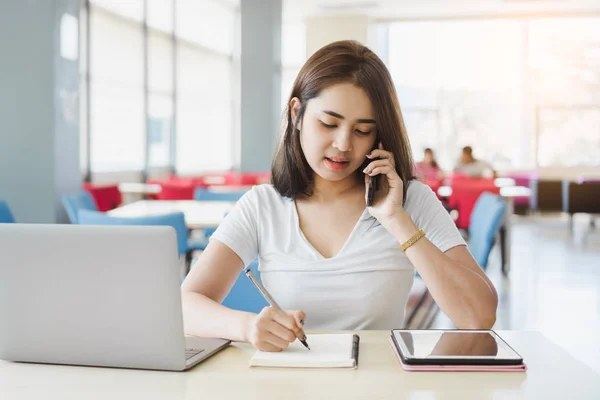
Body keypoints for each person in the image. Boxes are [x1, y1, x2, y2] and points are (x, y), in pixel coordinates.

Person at [181, 41, 498, 352]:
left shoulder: (411, 201)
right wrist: (247, 328)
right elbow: (185, 306)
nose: (344, 144)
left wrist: (397, 221)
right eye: (329, 123)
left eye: (362, 130)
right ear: (297, 113)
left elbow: (479, 316)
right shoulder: (262, 206)